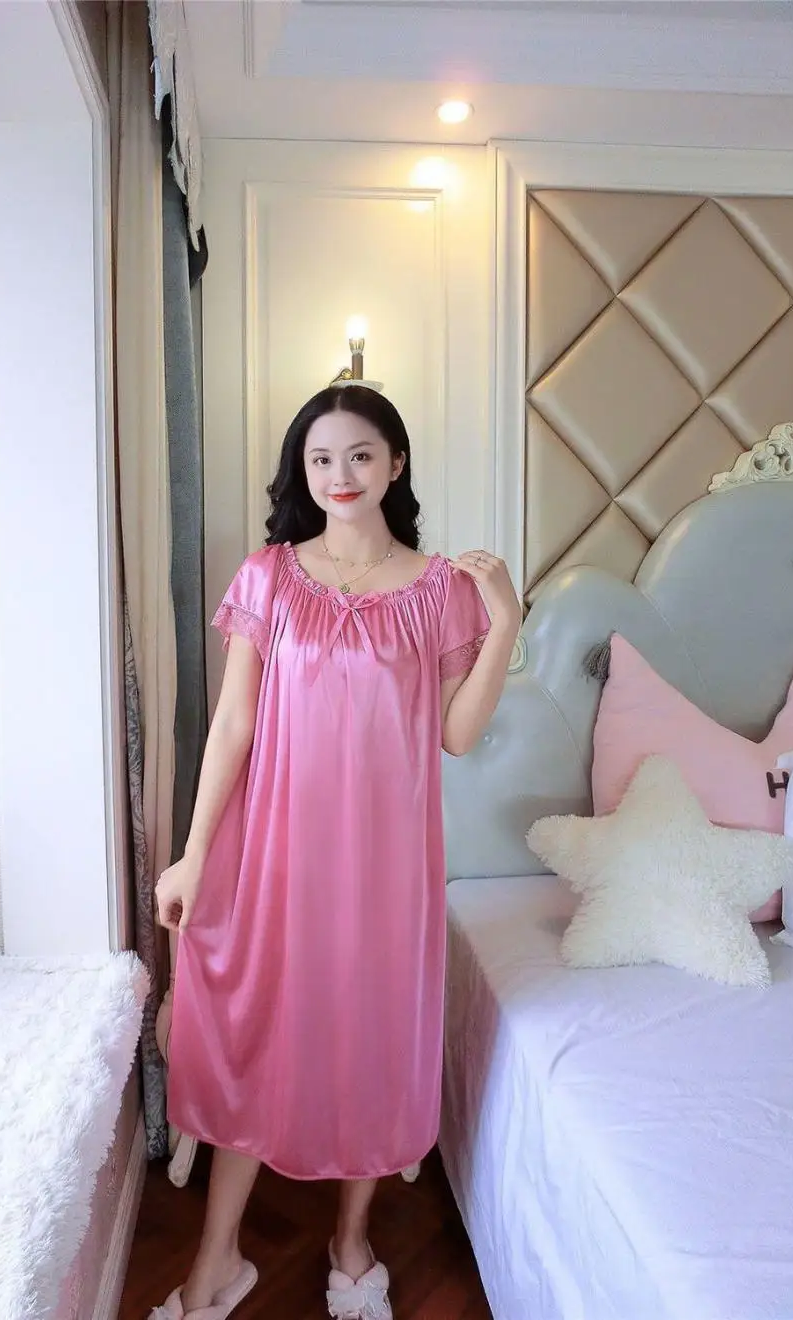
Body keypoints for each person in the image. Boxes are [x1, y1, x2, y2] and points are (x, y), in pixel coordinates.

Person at [152, 385, 521, 1320]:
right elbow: (233, 725)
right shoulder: (270, 578)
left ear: (396, 463)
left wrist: (505, 624)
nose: (340, 474)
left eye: (360, 454)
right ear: (302, 472)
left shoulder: (440, 591)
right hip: (276, 852)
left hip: (384, 866)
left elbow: (456, 736)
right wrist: (194, 854)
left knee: (371, 1037)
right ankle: (217, 1259)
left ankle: (351, 1241)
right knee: (257, 1032)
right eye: (321, 459)